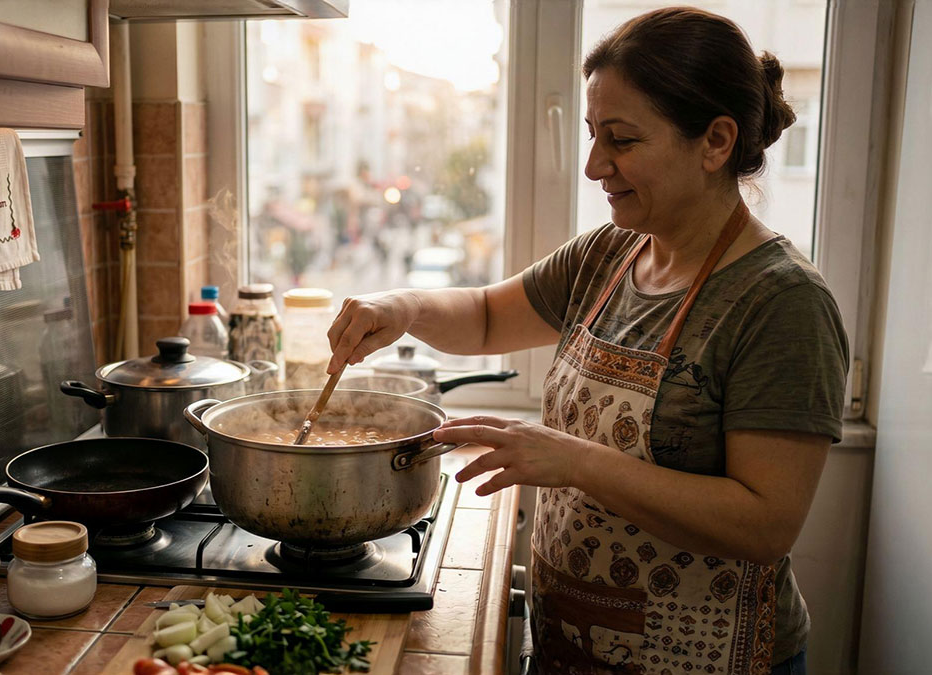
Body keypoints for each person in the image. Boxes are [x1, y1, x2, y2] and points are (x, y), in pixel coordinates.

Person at [326, 7, 847, 675]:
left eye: (622, 140)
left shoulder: (781, 303)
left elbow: (765, 522)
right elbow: (487, 316)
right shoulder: (612, 253)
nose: (595, 164)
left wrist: (574, 462)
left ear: (716, 141)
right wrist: (399, 306)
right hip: (574, 647)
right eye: (592, 134)